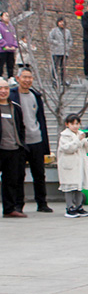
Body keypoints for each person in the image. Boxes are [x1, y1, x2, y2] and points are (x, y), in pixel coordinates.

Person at [10, 70, 53, 212]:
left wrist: (45, 143)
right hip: (19, 141)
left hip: (36, 139)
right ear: (18, 78)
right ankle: (18, 204)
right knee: (18, 174)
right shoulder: (12, 95)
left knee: (39, 173)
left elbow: (40, 118)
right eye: (24, 77)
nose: (27, 80)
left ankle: (42, 203)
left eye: (30, 77)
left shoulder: (35, 95)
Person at [57, 115, 88, 218]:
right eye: (72, 124)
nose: (75, 126)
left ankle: (79, 206)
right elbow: (68, 148)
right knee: (69, 186)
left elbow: (87, 150)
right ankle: (69, 207)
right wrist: (78, 140)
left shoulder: (80, 134)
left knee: (78, 187)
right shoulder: (64, 136)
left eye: (77, 124)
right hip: (69, 165)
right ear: (67, 124)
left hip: (79, 165)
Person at [0, 83, 27, 217]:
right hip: (1, 148)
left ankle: (9, 209)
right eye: (0, 88)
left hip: (14, 149)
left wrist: (21, 143)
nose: (3, 91)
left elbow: (21, 127)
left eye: (6, 88)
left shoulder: (15, 107)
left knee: (11, 180)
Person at [48, 16, 73, 87]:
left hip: (65, 51)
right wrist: (57, 43)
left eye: (63, 22)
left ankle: (63, 80)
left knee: (63, 67)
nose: (62, 23)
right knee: (55, 66)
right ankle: (54, 80)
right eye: (60, 22)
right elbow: (50, 39)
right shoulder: (54, 30)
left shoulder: (67, 31)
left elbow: (70, 40)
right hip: (56, 51)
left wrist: (68, 46)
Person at [0, 11, 16, 81]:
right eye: (6, 16)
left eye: (8, 16)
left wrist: (14, 45)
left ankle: (11, 77)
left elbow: (15, 36)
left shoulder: (11, 26)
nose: (7, 17)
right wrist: (4, 45)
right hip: (2, 49)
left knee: (11, 63)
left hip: (11, 49)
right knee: (1, 63)